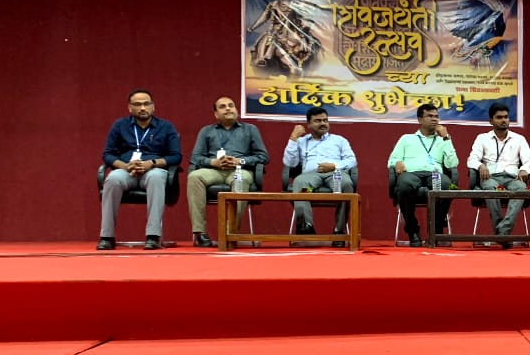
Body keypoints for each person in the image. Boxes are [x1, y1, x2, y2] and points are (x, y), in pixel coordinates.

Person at [98, 89, 182, 251]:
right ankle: (107, 236)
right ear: (130, 108)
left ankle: (153, 236)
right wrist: (125, 166)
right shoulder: (119, 126)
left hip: (153, 169)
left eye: (146, 104)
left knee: (156, 178)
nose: (142, 108)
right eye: (137, 104)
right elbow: (108, 154)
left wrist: (151, 163)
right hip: (126, 170)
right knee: (112, 179)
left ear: (153, 106)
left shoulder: (166, 127)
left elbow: (176, 156)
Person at [187, 96, 270, 247]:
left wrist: (240, 161)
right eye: (222, 106)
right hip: (213, 170)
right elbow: (195, 157)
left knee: (240, 180)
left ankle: (230, 231)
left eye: (231, 105)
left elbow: (263, 156)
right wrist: (213, 162)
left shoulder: (250, 130)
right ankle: (200, 233)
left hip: (239, 170)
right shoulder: (206, 131)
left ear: (236, 110)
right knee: (194, 176)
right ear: (216, 114)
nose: (228, 108)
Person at [282, 107, 356, 246]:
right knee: (300, 184)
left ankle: (339, 231)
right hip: (311, 186)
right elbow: (290, 163)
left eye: (325, 120)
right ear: (309, 124)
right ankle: (306, 227)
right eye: (317, 121)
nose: (323, 123)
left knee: (346, 185)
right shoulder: (301, 141)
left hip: (335, 179)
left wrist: (334, 166)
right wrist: (293, 138)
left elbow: (352, 161)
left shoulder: (339, 140)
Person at [388, 103, 459, 247]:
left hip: (434, 174)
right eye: (430, 116)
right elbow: (392, 160)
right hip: (411, 174)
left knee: (446, 184)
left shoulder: (442, 140)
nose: (434, 119)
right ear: (420, 119)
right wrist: (397, 163)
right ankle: (412, 230)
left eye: (436, 116)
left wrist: (447, 138)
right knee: (404, 184)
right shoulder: (406, 139)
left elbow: (453, 164)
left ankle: (436, 229)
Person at [468, 102, 530, 248]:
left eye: (506, 117)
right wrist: (480, 165)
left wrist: (524, 169)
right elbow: (472, 159)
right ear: (491, 121)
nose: (504, 120)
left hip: (512, 178)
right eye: (499, 117)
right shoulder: (482, 138)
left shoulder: (519, 139)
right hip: (490, 177)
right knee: (490, 189)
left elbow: (529, 160)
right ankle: (503, 234)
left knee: (521, 189)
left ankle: (502, 231)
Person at [246, 0, 320, 78]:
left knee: (305, 42)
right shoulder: (273, 4)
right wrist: (252, 28)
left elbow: (303, 17)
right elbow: (263, 17)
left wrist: (306, 26)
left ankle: (305, 58)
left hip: (291, 29)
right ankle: (261, 58)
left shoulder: (295, 5)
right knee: (263, 40)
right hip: (274, 30)